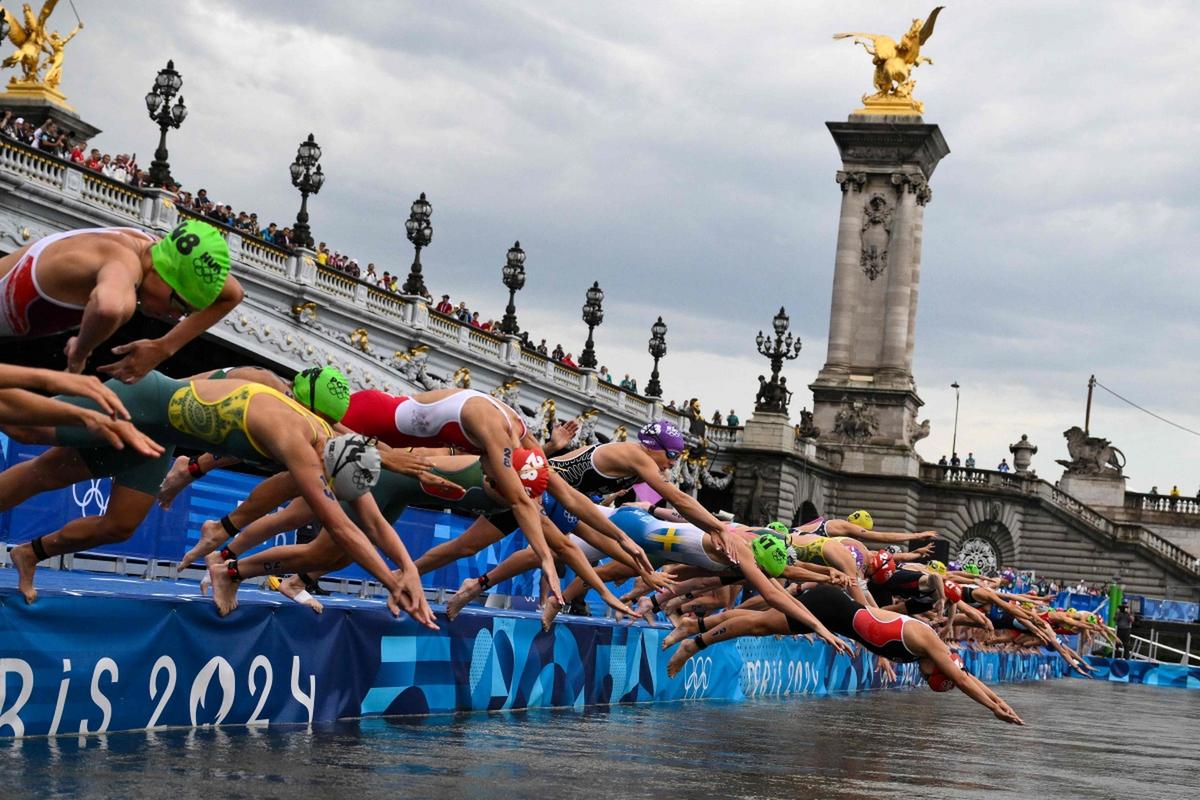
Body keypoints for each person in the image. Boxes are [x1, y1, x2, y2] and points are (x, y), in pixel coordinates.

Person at [0, 369, 429, 623]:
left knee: (120, 526)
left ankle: (29, 554)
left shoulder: (329, 437)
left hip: (159, 434)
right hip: (140, 401)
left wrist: (407, 568)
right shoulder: (297, 439)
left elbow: (368, 519)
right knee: (27, 435)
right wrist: (391, 581)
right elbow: (340, 525)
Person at [665, 584, 1025, 725]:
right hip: (830, 605)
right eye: (931, 677)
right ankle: (692, 642)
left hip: (835, 615)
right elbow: (961, 679)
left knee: (758, 622)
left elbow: (965, 675)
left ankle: (694, 628)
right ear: (939, 668)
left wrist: (1001, 702)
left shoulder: (933, 656)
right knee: (759, 624)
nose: (924, 675)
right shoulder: (929, 643)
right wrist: (993, 709)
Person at [0, 219, 242, 381]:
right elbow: (109, 308)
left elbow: (232, 294)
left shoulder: (151, 246)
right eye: (179, 305)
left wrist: (163, 348)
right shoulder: (125, 265)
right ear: (162, 273)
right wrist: (80, 352)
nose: (175, 316)